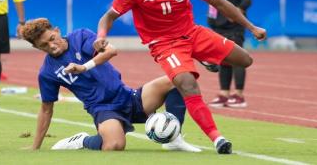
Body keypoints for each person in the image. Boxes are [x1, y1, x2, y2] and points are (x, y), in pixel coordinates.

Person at [94, 0, 266, 154]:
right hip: (165, 44)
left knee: (245, 60)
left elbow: (219, 3)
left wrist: (251, 27)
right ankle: (217, 139)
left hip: (193, 34)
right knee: (188, 84)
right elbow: (108, 17)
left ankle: (203, 57)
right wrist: (101, 38)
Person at [21, 18, 201, 152]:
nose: (52, 45)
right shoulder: (47, 72)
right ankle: (82, 141)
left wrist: (83, 67)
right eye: (44, 45)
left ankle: (173, 139)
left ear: (58, 30)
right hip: (103, 109)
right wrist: (35, 146)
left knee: (177, 79)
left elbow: (111, 51)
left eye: (52, 38)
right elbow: (46, 109)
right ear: (38, 48)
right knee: (114, 145)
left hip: (128, 96)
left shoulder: (80, 37)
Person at [205, 0, 251, 108]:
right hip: (217, 25)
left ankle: (238, 95)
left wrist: (236, 13)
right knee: (222, 58)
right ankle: (224, 93)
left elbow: (246, 0)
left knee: (237, 59)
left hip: (233, 27)